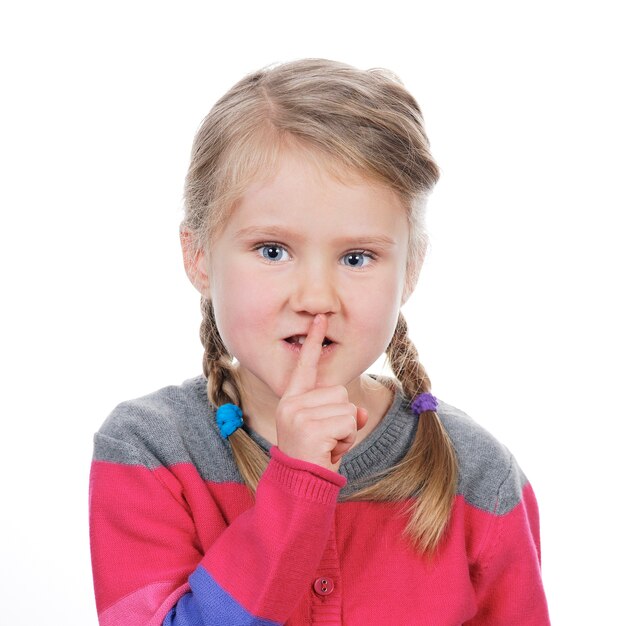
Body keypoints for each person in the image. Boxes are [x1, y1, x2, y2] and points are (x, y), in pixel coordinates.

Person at [89, 58, 550, 625]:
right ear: (199, 254)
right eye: (273, 250)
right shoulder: (150, 451)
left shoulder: (477, 475)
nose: (315, 296)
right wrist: (295, 484)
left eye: (357, 257)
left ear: (411, 269)